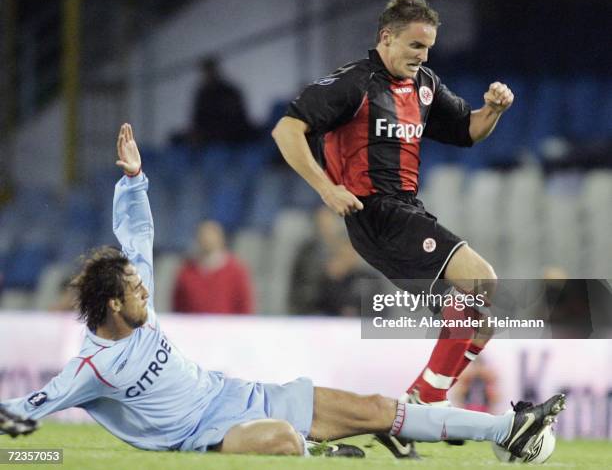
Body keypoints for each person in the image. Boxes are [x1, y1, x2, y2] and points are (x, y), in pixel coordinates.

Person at [0, 124, 564, 461]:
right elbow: (26, 413)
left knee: (378, 408)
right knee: (281, 442)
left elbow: (138, 234)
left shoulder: (135, 303)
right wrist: (27, 435)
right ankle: (315, 449)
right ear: (113, 305)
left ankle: (509, 430)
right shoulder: (92, 368)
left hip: (241, 394)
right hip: (210, 434)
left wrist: (132, 180)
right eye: (134, 288)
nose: (146, 287)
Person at [272, 0, 513, 418]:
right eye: (414, 46)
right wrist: (327, 188)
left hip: (406, 209)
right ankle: (426, 398)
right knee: (482, 280)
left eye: (428, 48)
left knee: (479, 321)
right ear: (386, 37)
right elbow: (287, 131)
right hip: (376, 213)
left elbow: (468, 129)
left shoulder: (425, 86)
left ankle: (424, 400)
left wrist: (492, 110)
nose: (422, 56)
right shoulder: (353, 83)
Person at [172, 220, 254, 314]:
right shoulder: (186, 271)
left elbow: (244, 305)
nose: (207, 239)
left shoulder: (236, 270)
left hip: (226, 326)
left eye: (211, 235)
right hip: (193, 326)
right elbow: (178, 305)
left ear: (221, 238)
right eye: (204, 235)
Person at [189, 57, 255, 146]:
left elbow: (238, 117)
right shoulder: (202, 95)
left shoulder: (229, 91)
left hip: (231, 134)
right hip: (209, 135)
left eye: (210, 71)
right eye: (205, 72)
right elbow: (197, 119)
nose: (208, 75)